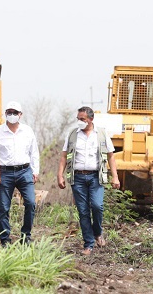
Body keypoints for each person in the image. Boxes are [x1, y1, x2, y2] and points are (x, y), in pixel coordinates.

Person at [57, 106, 120, 255]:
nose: (80, 122)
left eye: (83, 119)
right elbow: (64, 156)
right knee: (83, 211)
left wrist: (115, 176)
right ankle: (88, 244)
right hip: (77, 177)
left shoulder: (102, 134)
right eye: (78, 119)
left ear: (91, 119)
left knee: (97, 206)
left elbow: (111, 156)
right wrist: (60, 175)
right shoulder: (73, 134)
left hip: (96, 176)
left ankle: (97, 232)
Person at [0, 101, 40, 246]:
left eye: (15, 113)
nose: (12, 115)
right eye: (9, 112)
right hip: (5, 172)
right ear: (5, 114)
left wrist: (35, 170)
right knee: (3, 207)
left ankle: (26, 235)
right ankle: (4, 238)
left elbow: (34, 152)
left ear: (20, 115)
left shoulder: (27, 131)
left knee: (31, 203)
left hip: (24, 171)